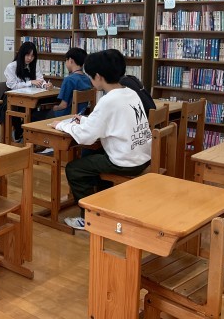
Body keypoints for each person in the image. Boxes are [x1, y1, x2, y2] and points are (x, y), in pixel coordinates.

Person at [51, 49, 151, 230]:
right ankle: (104, 207)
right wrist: (86, 120)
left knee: (75, 169)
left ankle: (89, 218)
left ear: (98, 76)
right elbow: (109, 123)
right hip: (142, 156)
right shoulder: (130, 92)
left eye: (90, 76)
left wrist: (61, 125)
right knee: (92, 158)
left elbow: (86, 136)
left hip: (125, 161)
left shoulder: (108, 100)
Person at [3, 41, 52, 142]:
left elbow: (40, 80)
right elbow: (13, 86)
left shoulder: (34, 65)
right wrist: (30, 82)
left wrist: (45, 85)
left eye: (32, 56)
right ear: (22, 54)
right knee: (21, 110)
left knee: (35, 108)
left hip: (31, 96)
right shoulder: (11, 67)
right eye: (27, 55)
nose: (30, 58)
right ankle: (19, 132)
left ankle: (29, 134)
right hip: (13, 97)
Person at [49, 47, 92, 117]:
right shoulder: (87, 79)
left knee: (36, 115)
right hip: (80, 115)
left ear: (70, 60)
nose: (66, 63)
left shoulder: (69, 80)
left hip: (67, 115)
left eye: (66, 60)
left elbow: (63, 105)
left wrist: (54, 107)